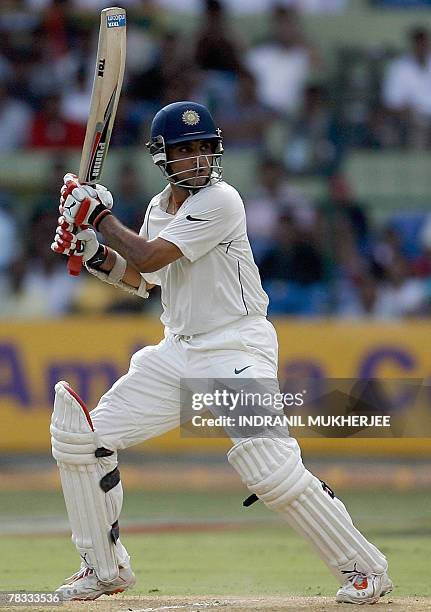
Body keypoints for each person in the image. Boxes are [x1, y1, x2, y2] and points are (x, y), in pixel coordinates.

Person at [50, 101, 392, 604]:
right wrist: (91, 252)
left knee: (269, 468)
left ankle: (365, 569)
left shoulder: (223, 200)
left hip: (235, 345)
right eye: (184, 151)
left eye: (204, 149)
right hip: (177, 350)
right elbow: (143, 277)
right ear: (162, 157)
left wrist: (96, 216)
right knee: (82, 440)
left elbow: (148, 254)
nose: (197, 160)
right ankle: (103, 569)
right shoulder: (157, 209)